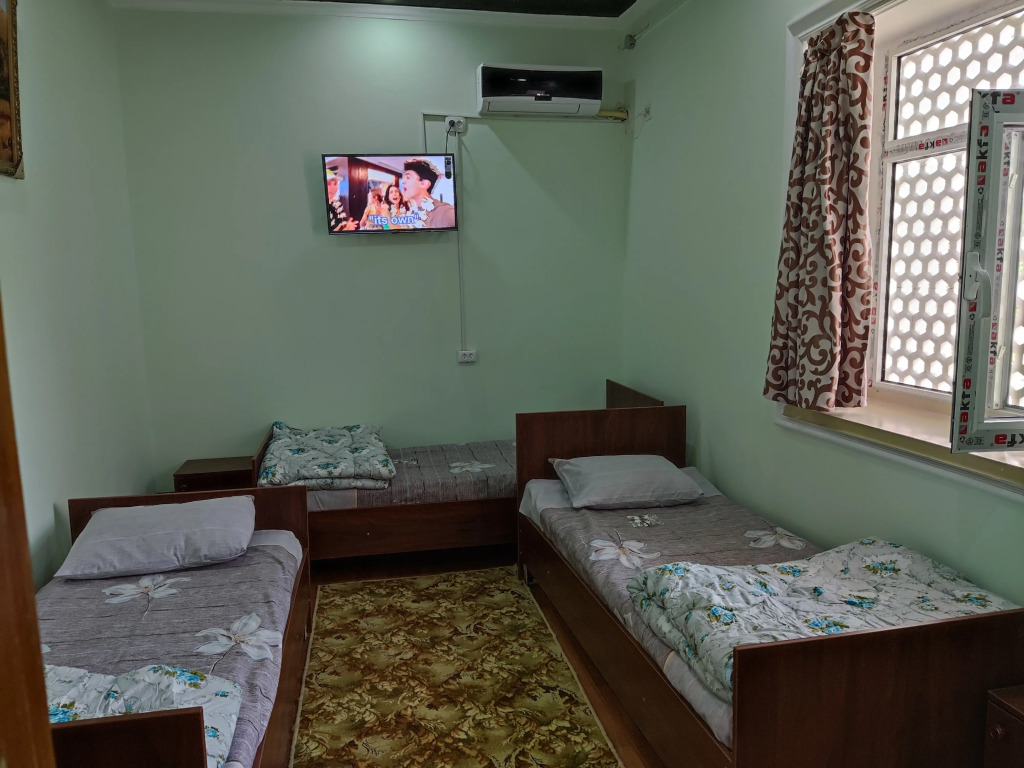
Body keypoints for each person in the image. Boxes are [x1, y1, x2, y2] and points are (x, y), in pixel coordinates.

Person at [400, 158, 456, 229]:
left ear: (424, 184)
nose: (403, 181)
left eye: (408, 177)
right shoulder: (411, 213)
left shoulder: (447, 213)